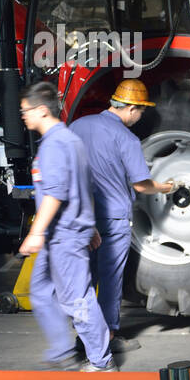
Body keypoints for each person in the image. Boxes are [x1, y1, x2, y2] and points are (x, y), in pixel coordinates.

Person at [69, 78, 175, 352]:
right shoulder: (126, 138)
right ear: (130, 108)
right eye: (140, 111)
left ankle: (83, 336)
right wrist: (167, 186)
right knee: (110, 279)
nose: (140, 117)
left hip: (81, 218)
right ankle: (109, 338)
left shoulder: (78, 126)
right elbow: (141, 185)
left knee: (85, 277)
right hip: (113, 220)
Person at [18, 81, 114, 372]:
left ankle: (102, 361)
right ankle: (62, 350)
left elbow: (56, 193)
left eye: (26, 111)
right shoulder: (69, 140)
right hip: (64, 232)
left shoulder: (56, 144)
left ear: (43, 110)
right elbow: (86, 187)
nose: (23, 116)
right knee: (41, 290)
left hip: (64, 234)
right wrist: (91, 226)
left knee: (77, 299)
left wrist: (35, 233)